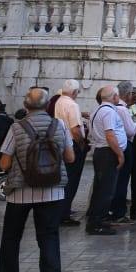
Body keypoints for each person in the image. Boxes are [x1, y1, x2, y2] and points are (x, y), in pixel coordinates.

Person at [0, 87, 73, 272]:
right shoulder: (59, 126)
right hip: (52, 191)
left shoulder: (16, 128)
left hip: (20, 192)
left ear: (25, 105)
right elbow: (70, 157)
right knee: (48, 236)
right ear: (48, 105)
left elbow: (4, 162)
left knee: (11, 237)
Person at [85, 85, 133, 236]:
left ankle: (97, 219)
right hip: (108, 152)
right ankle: (97, 222)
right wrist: (120, 154)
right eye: (117, 95)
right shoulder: (108, 112)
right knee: (106, 190)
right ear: (114, 97)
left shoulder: (98, 110)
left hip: (102, 151)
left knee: (101, 188)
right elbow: (110, 135)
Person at [53, 80, 88, 226]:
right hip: (72, 145)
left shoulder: (59, 101)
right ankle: (64, 214)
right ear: (74, 92)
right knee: (72, 180)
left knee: (65, 179)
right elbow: (75, 130)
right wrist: (82, 144)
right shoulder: (72, 105)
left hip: (61, 142)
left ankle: (61, 211)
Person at [106, 81, 136, 225]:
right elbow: (131, 130)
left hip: (117, 146)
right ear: (128, 94)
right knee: (122, 180)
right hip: (125, 145)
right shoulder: (123, 110)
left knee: (118, 180)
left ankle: (113, 210)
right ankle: (118, 212)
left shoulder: (112, 107)